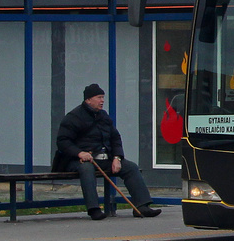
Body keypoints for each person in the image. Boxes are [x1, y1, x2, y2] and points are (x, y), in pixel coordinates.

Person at [53, 84, 161, 220]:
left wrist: (117, 157)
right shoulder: (73, 117)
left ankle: (142, 206)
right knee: (86, 169)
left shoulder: (103, 116)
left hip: (104, 158)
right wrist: (80, 153)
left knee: (131, 167)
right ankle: (94, 209)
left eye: (103, 97)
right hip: (76, 160)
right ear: (88, 100)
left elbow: (115, 138)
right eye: (99, 97)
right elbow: (63, 142)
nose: (102, 101)